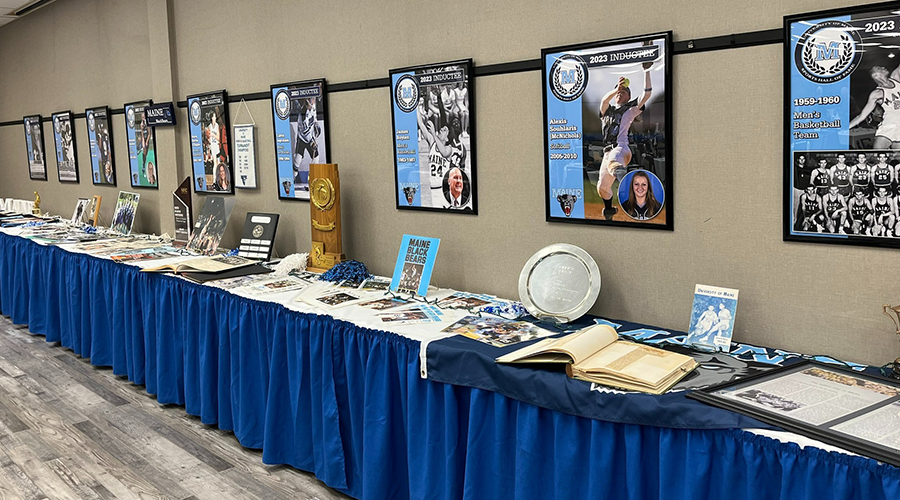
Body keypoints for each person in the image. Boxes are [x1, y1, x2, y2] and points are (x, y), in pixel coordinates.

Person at [596, 52, 654, 220]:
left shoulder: (630, 109)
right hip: (607, 152)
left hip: (621, 148)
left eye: (624, 91)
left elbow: (647, 94)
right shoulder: (607, 110)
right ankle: (609, 210)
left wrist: (646, 70)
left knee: (614, 164)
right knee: (602, 188)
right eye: (619, 92)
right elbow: (604, 102)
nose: (620, 93)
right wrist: (616, 89)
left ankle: (637, 195)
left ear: (629, 96)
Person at [848, 65, 900, 149]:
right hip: (888, 127)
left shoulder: (896, 78)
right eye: (880, 68)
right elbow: (862, 116)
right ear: (875, 75)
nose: (884, 67)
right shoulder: (877, 93)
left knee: (897, 160)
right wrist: (845, 128)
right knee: (876, 156)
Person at [292, 97, 321, 186]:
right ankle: (293, 178)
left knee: (316, 157)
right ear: (307, 102)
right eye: (311, 99)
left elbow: (314, 116)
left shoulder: (313, 106)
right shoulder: (302, 114)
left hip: (310, 137)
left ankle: (313, 179)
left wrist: (316, 124)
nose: (313, 100)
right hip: (302, 139)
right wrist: (312, 142)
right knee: (297, 159)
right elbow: (304, 131)